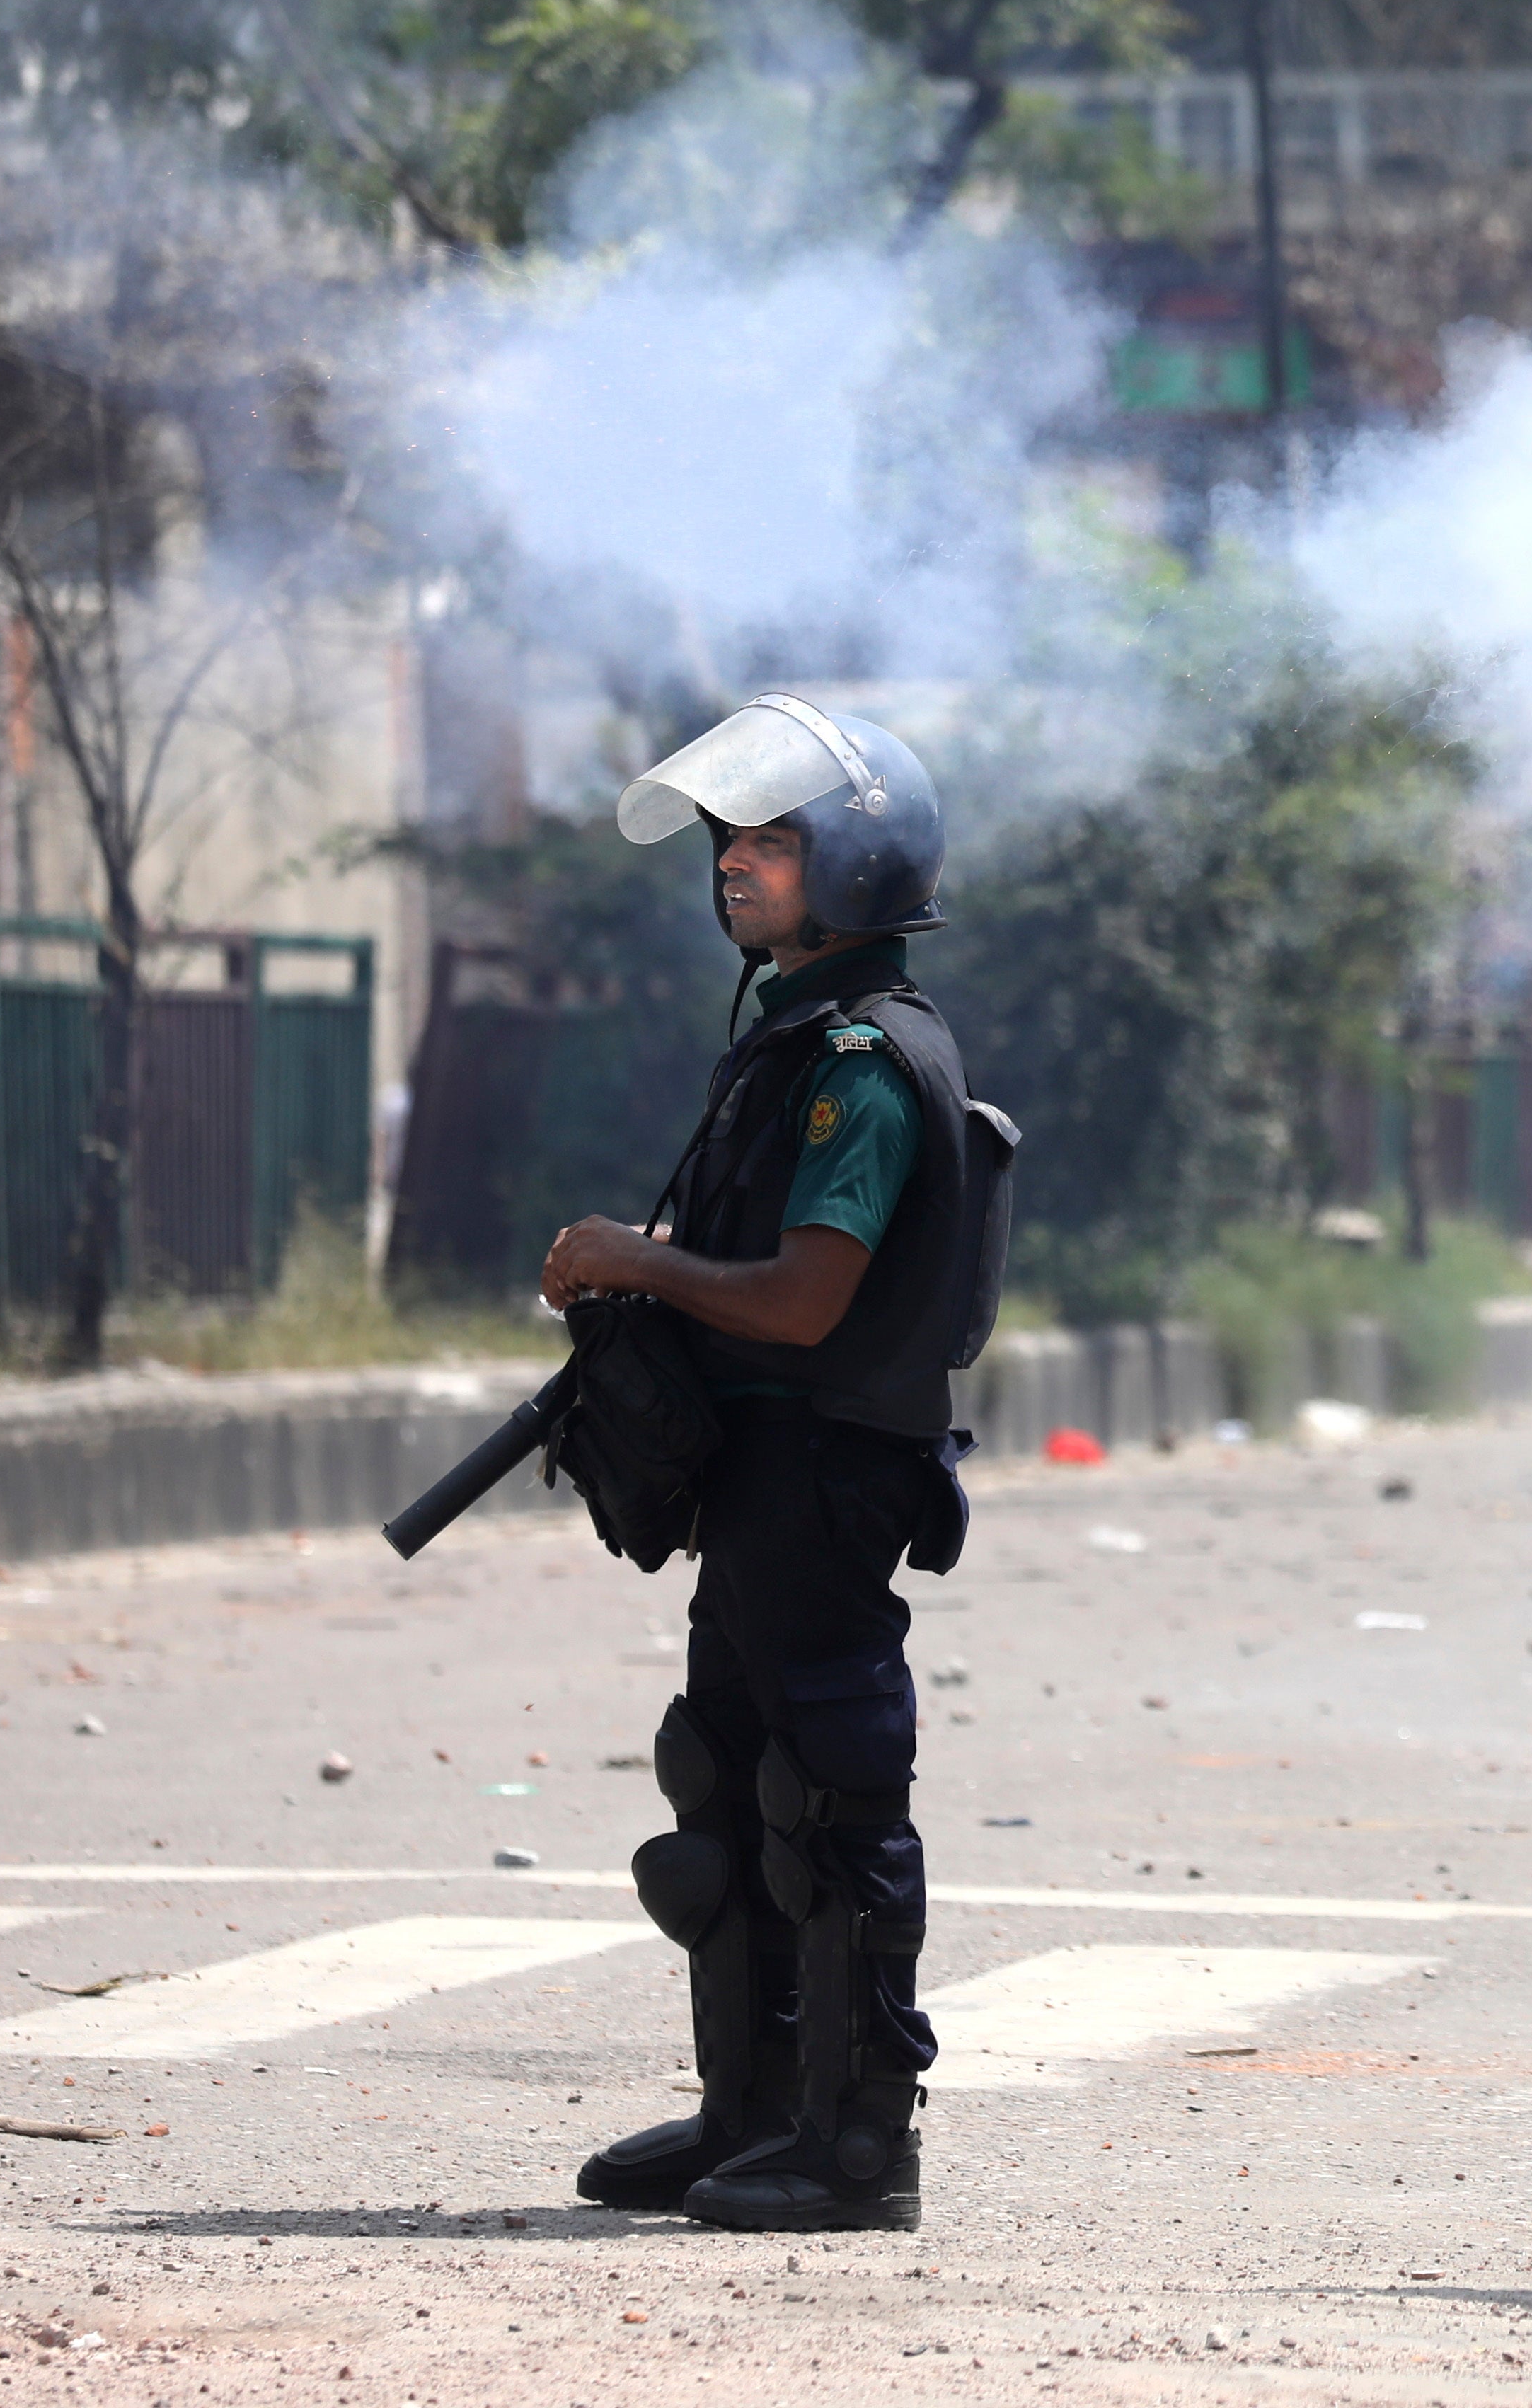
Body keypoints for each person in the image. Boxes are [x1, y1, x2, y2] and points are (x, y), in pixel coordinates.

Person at [553, 693, 1008, 2233]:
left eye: (770, 840)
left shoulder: (866, 1062)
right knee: (729, 1790)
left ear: (860, 861)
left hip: (822, 1472)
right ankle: (750, 2114)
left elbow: (810, 1298)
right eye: (729, 840)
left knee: (830, 1800)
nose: (736, 865)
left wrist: (642, 1260)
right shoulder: (798, 1035)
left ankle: (860, 2145)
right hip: (759, 1471)